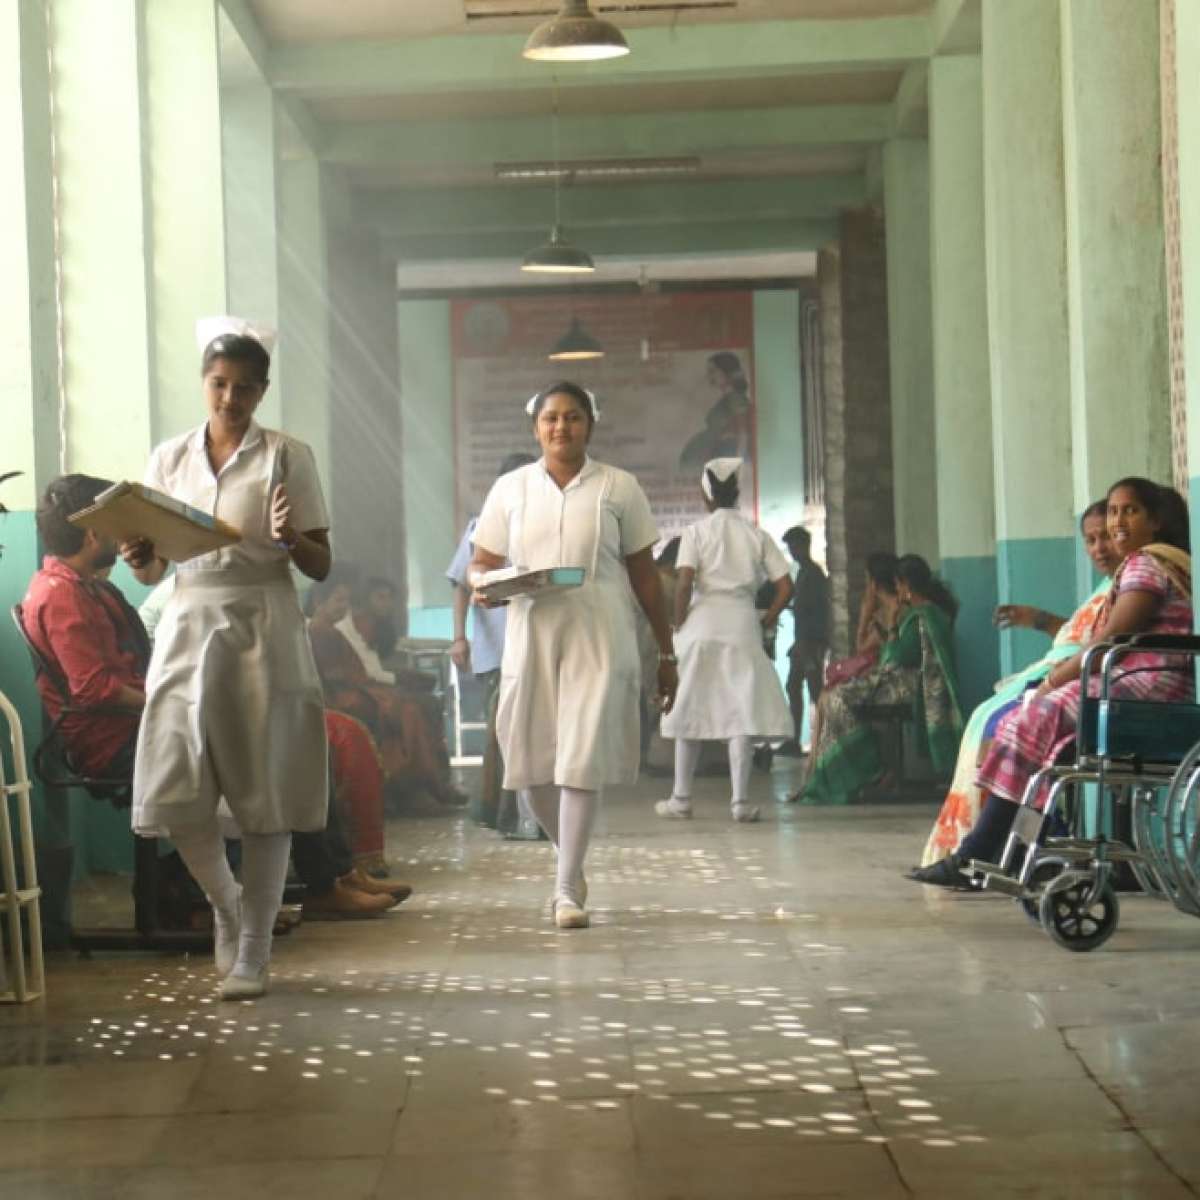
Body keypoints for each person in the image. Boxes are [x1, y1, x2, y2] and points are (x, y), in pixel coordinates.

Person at [122, 317, 332, 1000]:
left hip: (261, 623)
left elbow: (321, 564)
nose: (230, 398)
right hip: (187, 621)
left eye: (244, 387)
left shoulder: (287, 456)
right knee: (175, 782)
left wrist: (293, 537)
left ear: (262, 390)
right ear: (203, 384)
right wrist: (139, 555)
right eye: (219, 384)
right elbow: (155, 570)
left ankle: (254, 953)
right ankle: (229, 904)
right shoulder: (169, 458)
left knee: (264, 791)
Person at [911, 478, 1193, 889]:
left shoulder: (1146, 565)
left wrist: (1055, 680)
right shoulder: (1166, 563)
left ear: (1154, 521)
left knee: (1031, 718)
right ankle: (1014, 848)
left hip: (1148, 687)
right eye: (1113, 511)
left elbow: (1110, 641)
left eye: (1130, 511)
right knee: (1034, 738)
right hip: (1143, 684)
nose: (1118, 521)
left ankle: (981, 850)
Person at [469, 382, 677, 929]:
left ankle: (566, 890)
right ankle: (570, 858)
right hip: (532, 631)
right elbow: (482, 561)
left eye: (573, 417)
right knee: (531, 766)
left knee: (580, 759)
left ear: (591, 424)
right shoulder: (510, 490)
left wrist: (666, 652)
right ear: (535, 428)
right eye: (551, 419)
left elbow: (646, 579)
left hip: (599, 633)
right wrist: (481, 584)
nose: (561, 427)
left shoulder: (619, 488)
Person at [915, 502, 1119, 867]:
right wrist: (1038, 621)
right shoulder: (1110, 586)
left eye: (1107, 535)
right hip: (1066, 677)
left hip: (1084, 683)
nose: (1100, 547)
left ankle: (1000, 848)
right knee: (988, 724)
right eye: (1091, 539)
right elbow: (1084, 637)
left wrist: (1053, 678)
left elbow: (1102, 646)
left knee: (1007, 731)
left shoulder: (1140, 580)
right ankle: (1000, 845)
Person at [656, 458, 793, 822]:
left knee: (688, 709)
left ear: (705, 494)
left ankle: (680, 798)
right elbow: (785, 586)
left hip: (701, 625)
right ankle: (740, 802)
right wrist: (769, 616)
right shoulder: (755, 534)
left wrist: (679, 622)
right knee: (741, 712)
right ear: (738, 492)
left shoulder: (696, 532)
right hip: (742, 626)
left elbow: (685, 582)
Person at [793, 555, 963, 806]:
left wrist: (892, 624)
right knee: (832, 698)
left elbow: (895, 658)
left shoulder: (922, 617)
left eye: (899, 584)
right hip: (897, 682)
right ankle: (847, 772)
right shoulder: (924, 613)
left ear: (905, 584)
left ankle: (871, 767)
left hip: (908, 688)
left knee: (837, 699)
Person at [23, 475, 147, 780]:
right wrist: (165, 703)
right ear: (92, 535)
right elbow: (94, 689)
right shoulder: (61, 596)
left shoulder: (76, 582)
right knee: (222, 735)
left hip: (126, 723)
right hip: (114, 738)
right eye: (113, 525)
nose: (120, 533)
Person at [306, 572, 465, 809]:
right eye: (339, 601)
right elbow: (338, 677)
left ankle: (423, 783)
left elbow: (358, 670)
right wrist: (380, 690)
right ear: (319, 601)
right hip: (342, 697)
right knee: (409, 711)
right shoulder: (320, 631)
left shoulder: (333, 630)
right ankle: (430, 783)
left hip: (355, 689)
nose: (344, 608)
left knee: (416, 706)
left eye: (346, 602)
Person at [447, 452, 537, 831]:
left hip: (533, 641)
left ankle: (531, 814)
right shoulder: (480, 528)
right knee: (501, 729)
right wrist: (459, 639)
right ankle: (501, 811)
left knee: (532, 727)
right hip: (495, 646)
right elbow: (461, 588)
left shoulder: (539, 525)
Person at [781, 525, 829, 754]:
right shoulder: (804, 573)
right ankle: (794, 740)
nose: (791, 552)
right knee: (794, 686)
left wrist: (810, 644)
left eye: (793, 547)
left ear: (803, 546)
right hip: (802, 642)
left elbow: (816, 611)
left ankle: (822, 740)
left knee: (814, 690)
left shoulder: (814, 574)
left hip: (810, 642)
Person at [680, 351, 752, 470]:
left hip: (723, 455)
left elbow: (743, 433)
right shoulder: (728, 398)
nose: (709, 375)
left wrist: (739, 462)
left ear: (726, 371)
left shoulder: (735, 398)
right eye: (709, 372)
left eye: (713, 371)